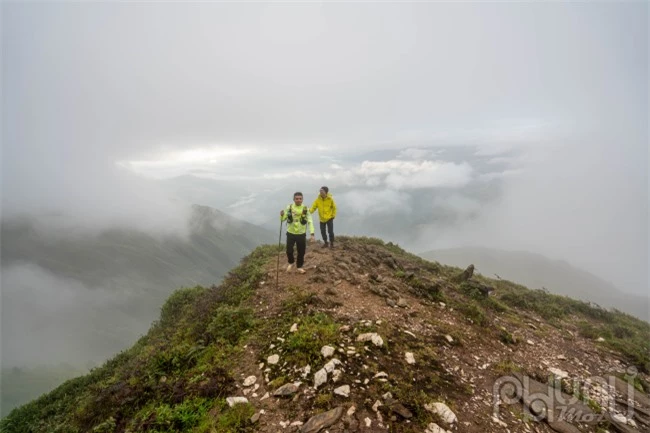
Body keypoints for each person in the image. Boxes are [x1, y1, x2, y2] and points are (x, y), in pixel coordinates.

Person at [280, 192, 315, 273]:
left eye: (300, 199)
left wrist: (312, 234)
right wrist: (281, 215)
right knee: (289, 250)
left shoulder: (305, 209)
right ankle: (291, 262)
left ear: (302, 199)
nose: (298, 200)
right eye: (297, 199)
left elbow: (310, 221)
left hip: (301, 233)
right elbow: (283, 219)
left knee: (301, 251)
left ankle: (299, 267)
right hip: (290, 233)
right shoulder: (289, 208)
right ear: (294, 199)